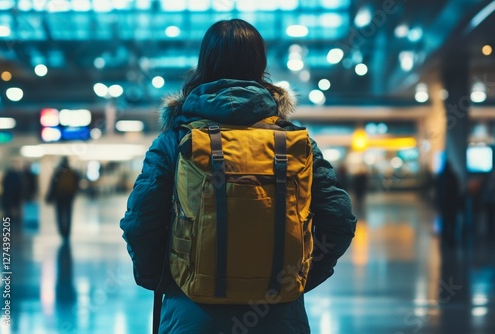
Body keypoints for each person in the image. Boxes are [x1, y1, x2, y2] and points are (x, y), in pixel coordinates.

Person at [120, 19, 357, 334]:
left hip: (192, 314)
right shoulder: (296, 143)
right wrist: (294, 279)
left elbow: (141, 224)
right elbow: (339, 220)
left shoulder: (175, 141)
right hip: (279, 317)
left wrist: (168, 280)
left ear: (204, 64)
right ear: (260, 66)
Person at [46, 157, 80, 239]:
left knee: (60, 214)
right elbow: (76, 185)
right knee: (68, 214)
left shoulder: (58, 172)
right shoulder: (72, 172)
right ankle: (67, 231)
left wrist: (49, 197)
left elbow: (53, 186)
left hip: (59, 197)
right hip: (69, 197)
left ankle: (62, 231)